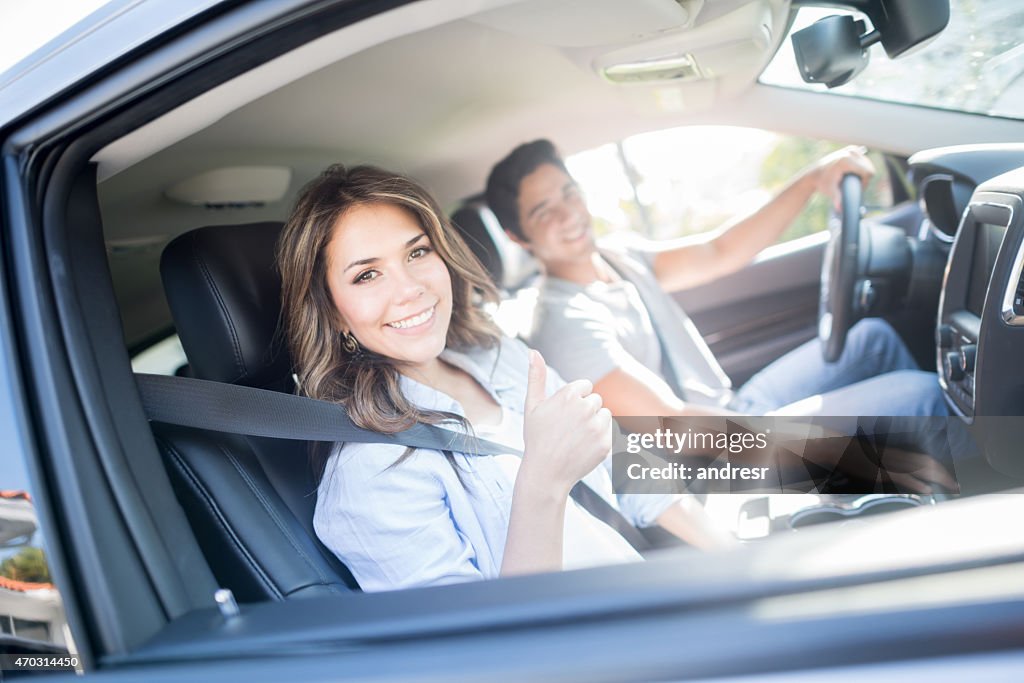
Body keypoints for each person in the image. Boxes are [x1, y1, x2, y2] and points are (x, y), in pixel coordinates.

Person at [276, 165, 727, 593]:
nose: (410, 287)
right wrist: (543, 484)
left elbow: (629, 473)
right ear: (333, 311)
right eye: (367, 274)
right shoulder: (369, 476)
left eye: (417, 252)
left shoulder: (496, 355)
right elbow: (486, 651)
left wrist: (737, 558)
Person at [484, 139, 948, 418]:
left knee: (873, 339)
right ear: (518, 236)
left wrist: (812, 180)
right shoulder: (561, 322)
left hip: (731, 411)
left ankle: (920, 481)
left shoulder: (618, 257)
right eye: (545, 212)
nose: (569, 215)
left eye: (570, 193)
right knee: (923, 398)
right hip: (714, 466)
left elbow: (721, 251)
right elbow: (669, 425)